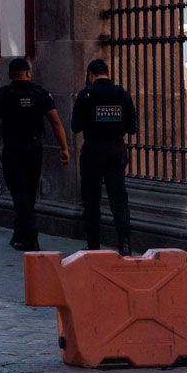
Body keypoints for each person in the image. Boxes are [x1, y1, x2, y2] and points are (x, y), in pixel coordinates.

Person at [0, 58, 71, 251]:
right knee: (30, 191)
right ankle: (19, 232)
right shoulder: (40, 93)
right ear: (28, 73)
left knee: (18, 191)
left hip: (12, 148)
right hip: (34, 147)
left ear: (10, 75)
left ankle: (30, 237)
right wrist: (64, 147)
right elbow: (56, 122)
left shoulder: (2, 94)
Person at [72, 58, 137, 255]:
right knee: (119, 198)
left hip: (92, 150)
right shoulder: (121, 94)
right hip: (116, 149)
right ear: (107, 73)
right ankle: (124, 243)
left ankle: (93, 244)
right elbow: (132, 127)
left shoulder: (85, 95)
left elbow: (76, 127)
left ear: (91, 75)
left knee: (91, 199)